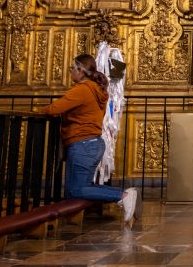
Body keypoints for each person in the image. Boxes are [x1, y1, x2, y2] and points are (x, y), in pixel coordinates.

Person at [43, 54, 138, 223]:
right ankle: (124, 195)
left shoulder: (83, 89)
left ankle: (123, 195)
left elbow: (54, 109)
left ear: (81, 70)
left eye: (72, 68)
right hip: (90, 143)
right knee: (77, 189)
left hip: (83, 144)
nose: (70, 72)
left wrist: (38, 112)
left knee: (77, 190)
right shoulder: (95, 89)